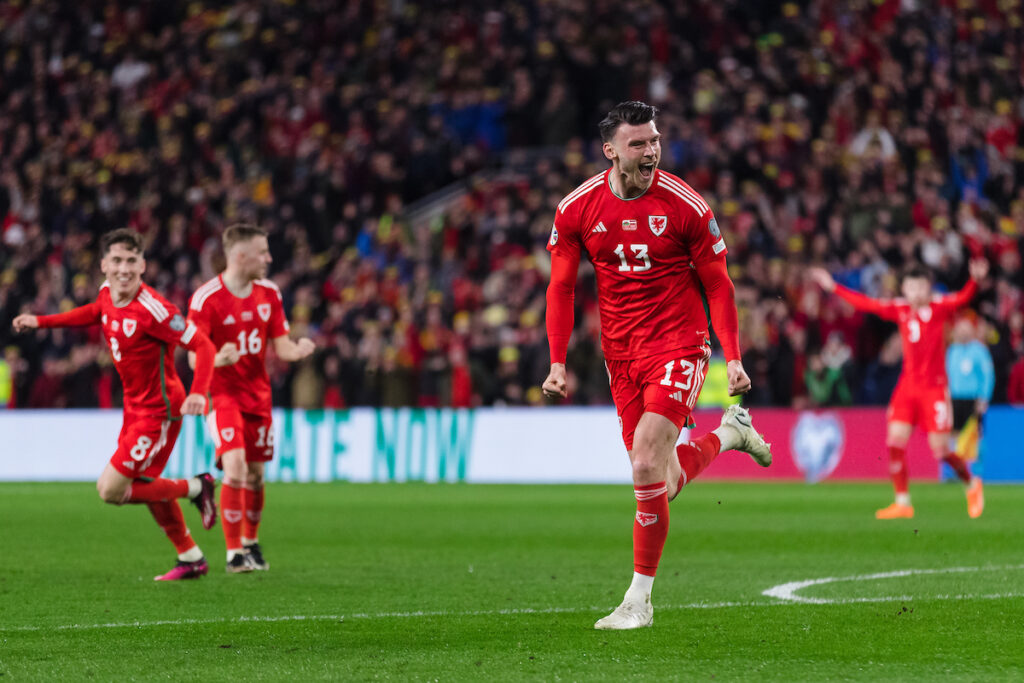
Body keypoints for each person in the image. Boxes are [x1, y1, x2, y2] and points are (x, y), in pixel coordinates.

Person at [542, 101, 772, 631]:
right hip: (619, 354)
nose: (650, 152)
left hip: (679, 343)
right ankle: (731, 436)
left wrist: (732, 355)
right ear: (611, 151)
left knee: (644, 461)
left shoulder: (686, 205)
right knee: (660, 481)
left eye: (654, 141)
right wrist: (557, 361)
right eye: (638, 144)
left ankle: (638, 601)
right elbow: (560, 286)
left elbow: (718, 282)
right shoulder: (576, 209)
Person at [11, 228, 219, 580]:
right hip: (134, 408)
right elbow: (94, 312)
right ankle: (190, 557)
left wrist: (199, 392)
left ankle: (198, 486)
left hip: (160, 410)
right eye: (117, 261)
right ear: (105, 265)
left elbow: (204, 347)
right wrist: (42, 322)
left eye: (131, 261)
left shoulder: (155, 310)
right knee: (147, 482)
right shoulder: (108, 293)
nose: (124, 269)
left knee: (110, 489)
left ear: (143, 266)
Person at [808, 260, 988, 519]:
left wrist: (975, 280)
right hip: (907, 387)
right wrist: (833, 287)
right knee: (895, 442)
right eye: (911, 287)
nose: (915, 293)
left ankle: (972, 484)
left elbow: (963, 298)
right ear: (903, 288)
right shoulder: (900, 309)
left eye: (921, 287)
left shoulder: (939, 307)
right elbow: (865, 304)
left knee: (940, 450)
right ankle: (903, 502)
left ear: (928, 289)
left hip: (934, 390)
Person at [187, 224, 315, 572]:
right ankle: (233, 554)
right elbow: (192, 357)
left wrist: (298, 350)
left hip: (258, 396)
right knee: (236, 467)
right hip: (222, 394)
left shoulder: (270, 294)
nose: (269, 258)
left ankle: (250, 542)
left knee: (257, 475)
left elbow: (281, 346)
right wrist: (217, 357)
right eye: (263, 252)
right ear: (240, 256)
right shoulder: (206, 298)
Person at [945, 314, 994, 469]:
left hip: (972, 398)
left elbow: (987, 376)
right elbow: (945, 375)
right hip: (953, 398)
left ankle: (977, 469)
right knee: (953, 433)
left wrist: (984, 397)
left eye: (966, 329)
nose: (963, 332)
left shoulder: (979, 350)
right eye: (960, 329)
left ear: (972, 331)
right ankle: (955, 468)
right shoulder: (952, 350)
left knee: (974, 433)